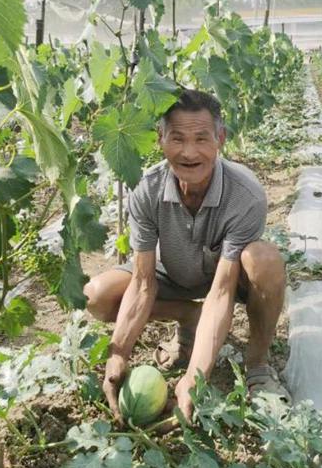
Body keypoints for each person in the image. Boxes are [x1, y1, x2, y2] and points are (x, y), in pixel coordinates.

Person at [84, 89, 290, 422]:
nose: (189, 152)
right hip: (172, 274)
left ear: (220, 138)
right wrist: (119, 352)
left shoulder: (246, 195)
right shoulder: (146, 189)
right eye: (177, 139)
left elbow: (222, 292)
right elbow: (143, 280)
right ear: (160, 138)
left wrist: (194, 378)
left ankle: (257, 364)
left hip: (224, 277)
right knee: (98, 296)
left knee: (265, 261)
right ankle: (188, 317)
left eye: (201, 138)